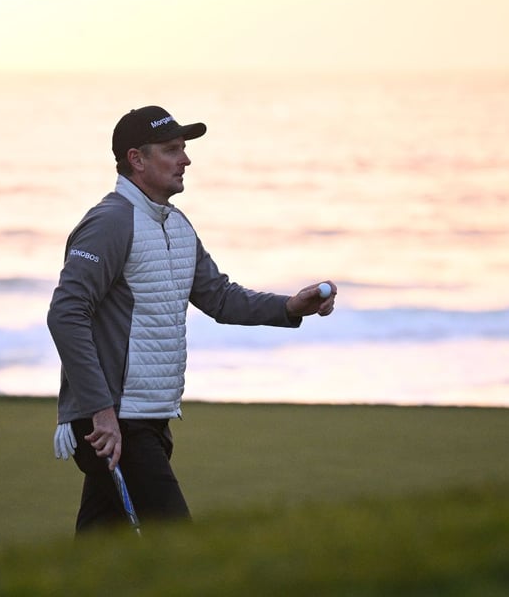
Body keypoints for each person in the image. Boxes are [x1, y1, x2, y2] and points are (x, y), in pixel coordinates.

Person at [46, 105, 337, 534]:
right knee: (178, 544)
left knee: (101, 553)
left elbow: (218, 296)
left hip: (150, 418)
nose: (185, 160)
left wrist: (289, 307)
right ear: (137, 159)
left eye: (183, 149)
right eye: (171, 150)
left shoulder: (177, 225)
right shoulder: (109, 223)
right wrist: (101, 412)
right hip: (113, 425)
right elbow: (65, 315)